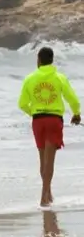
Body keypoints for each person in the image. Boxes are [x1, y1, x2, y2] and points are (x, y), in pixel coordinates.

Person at [19, 46, 81, 207]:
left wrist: (33, 112)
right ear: (52, 60)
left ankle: (48, 193)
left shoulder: (30, 78)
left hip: (38, 121)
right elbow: (72, 99)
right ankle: (44, 196)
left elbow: (22, 104)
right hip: (54, 120)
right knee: (50, 162)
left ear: (38, 60)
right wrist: (76, 113)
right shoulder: (59, 78)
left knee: (42, 160)